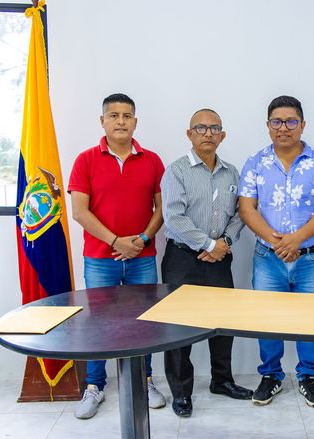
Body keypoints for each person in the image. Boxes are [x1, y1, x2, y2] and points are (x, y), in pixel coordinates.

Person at [68, 93, 166, 419]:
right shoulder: (85, 160)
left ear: (135, 122)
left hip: (142, 256)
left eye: (127, 116)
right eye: (114, 115)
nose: (121, 121)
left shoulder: (152, 160)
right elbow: (79, 212)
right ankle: (94, 386)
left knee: (145, 321)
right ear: (103, 121)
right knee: (98, 323)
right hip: (100, 258)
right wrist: (115, 241)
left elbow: (162, 208)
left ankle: (145, 381)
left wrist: (142, 238)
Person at [238, 95, 314, 408]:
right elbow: (247, 208)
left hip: (309, 257)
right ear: (268, 126)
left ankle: (308, 375)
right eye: (277, 122)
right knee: (267, 320)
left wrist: (296, 240)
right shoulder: (256, 162)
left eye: (291, 121)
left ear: (303, 125)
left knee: (313, 320)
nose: (284, 128)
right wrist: (279, 242)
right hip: (268, 258)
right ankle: (271, 376)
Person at [161, 108, 253, 418]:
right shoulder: (176, 171)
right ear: (190, 134)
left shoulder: (232, 173)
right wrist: (210, 244)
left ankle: (222, 381)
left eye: (215, 128)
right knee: (178, 327)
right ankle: (181, 392)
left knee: (223, 323)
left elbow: (241, 213)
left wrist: (223, 242)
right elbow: (174, 217)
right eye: (201, 128)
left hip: (220, 258)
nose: (208, 133)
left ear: (223, 136)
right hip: (182, 258)